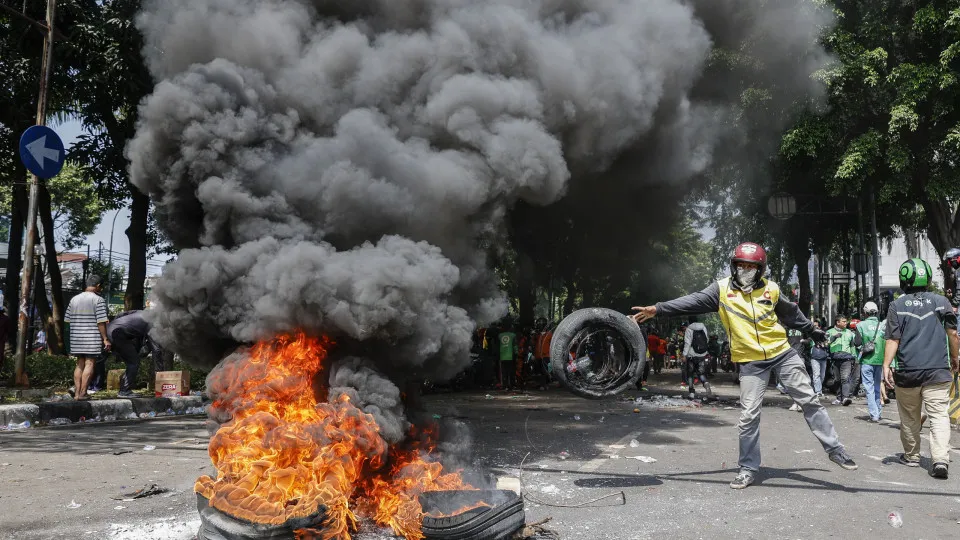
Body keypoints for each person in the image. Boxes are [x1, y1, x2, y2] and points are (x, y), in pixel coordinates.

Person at [632, 242, 857, 489]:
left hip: (782, 353)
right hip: (750, 362)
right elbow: (692, 301)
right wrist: (659, 308)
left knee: (810, 401)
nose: (746, 270)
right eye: (741, 265)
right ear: (734, 266)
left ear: (760, 269)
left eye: (752, 266)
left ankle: (835, 450)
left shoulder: (771, 289)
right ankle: (748, 468)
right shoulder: (720, 290)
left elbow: (791, 313)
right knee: (749, 416)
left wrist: (811, 330)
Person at [883, 258, 960, 479]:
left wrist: (886, 366)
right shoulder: (942, 302)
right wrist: (955, 358)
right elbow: (953, 334)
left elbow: (892, 340)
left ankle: (912, 456)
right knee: (938, 416)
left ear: (904, 279)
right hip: (938, 370)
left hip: (908, 373)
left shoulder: (897, 305)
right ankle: (940, 460)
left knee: (909, 417)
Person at [64, 276, 110, 401]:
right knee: (90, 363)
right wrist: (105, 338)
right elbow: (101, 322)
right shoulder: (98, 300)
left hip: (76, 337)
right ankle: (83, 393)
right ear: (98, 285)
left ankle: (77, 394)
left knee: (79, 364)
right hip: (91, 337)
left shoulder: (74, 299)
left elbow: (67, 319)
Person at [107, 310, 164, 397]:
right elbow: (156, 349)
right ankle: (124, 391)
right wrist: (160, 372)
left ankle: (124, 388)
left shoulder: (142, 312)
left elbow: (121, 314)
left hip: (111, 329)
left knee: (132, 361)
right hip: (118, 334)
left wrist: (114, 324)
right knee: (134, 363)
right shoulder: (153, 323)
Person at [854, 302, 886, 422]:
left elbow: (857, 343)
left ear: (865, 312)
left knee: (869, 388)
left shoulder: (861, 325)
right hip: (880, 360)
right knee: (877, 386)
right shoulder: (882, 325)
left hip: (867, 360)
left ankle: (874, 415)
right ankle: (878, 411)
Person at [826, 316, 858, 406]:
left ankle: (845, 398)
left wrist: (855, 357)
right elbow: (825, 343)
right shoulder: (829, 332)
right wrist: (833, 338)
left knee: (845, 378)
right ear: (837, 322)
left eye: (846, 321)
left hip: (847, 358)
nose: (845, 323)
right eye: (843, 321)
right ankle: (839, 398)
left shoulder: (849, 333)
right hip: (835, 359)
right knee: (837, 379)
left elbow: (852, 346)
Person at [683, 316, 712, 399]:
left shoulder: (689, 329)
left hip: (691, 355)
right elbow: (706, 339)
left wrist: (684, 355)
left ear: (689, 322)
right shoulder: (703, 327)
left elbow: (687, 343)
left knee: (690, 373)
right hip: (702, 354)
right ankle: (705, 383)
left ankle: (691, 392)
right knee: (701, 373)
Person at [808, 320, 830, 398]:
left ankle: (817, 389)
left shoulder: (824, 335)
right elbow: (808, 342)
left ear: (820, 327)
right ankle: (818, 391)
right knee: (816, 375)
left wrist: (823, 344)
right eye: (814, 326)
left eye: (817, 326)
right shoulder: (810, 335)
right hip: (814, 357)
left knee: (822, 376)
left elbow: (828, 344)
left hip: (823, 357)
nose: (816, 327)